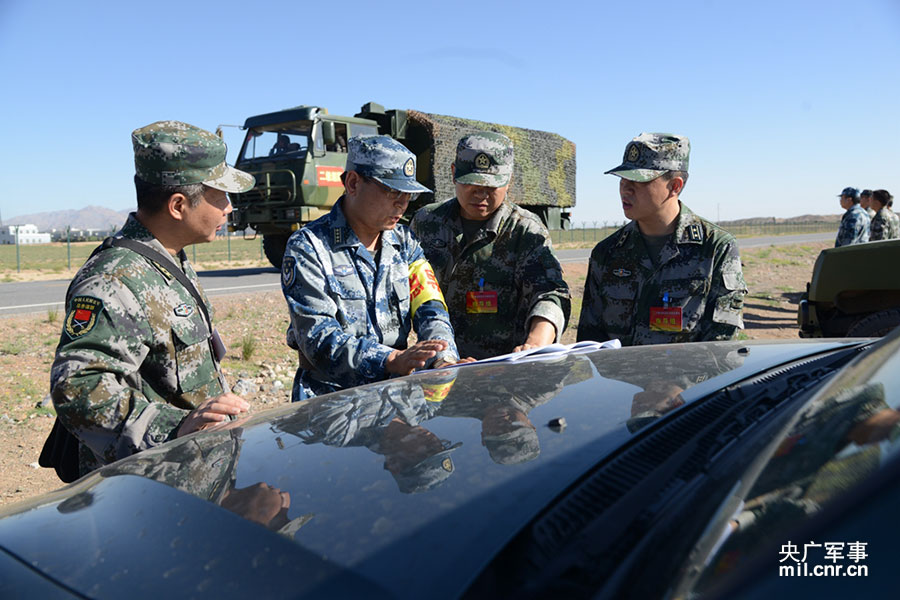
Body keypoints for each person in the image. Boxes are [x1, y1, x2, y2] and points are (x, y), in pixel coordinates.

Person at [41, 120, 255, 481]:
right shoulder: (115, 279)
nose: (229, 207)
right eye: (220, 195)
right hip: (143, 487)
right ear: (178, 205)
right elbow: (77, 386)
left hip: (184, 476)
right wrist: (175, 427)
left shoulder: (167, 259)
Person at [281, 135, 461, 400]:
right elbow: (318, 336)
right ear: (353, 183)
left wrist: (442, 357)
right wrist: (390, 359)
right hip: (332, 402)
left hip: (396, 397)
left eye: (409, 195)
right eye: (392, 191)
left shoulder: (405, 243)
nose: (402, 203)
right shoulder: (309, 246)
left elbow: (431, 307)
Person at [410, 132, 570, 359]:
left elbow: (550, 293)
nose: (480, 193)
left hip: (501, 367)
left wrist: (536, 342)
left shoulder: (525, 231)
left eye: (491, 185)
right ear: (454, 174)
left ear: (509, 180)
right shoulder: (426, 222)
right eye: (472, 183)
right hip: (440, 364)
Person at [577, 133, 747, 346]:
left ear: (675, 186)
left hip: (688, 369)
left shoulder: (715, 248)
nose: (625, 189)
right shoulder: (607, 252)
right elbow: (590, 342)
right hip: (618, 369)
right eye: (623, 179)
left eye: (639, 180)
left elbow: (721, 344)